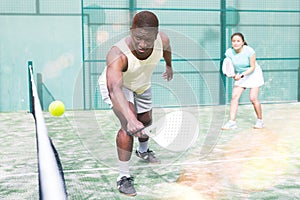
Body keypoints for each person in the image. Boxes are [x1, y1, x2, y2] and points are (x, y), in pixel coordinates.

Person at [98, 11, 173, 196]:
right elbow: (115, 89)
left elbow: (167, 49)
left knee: (146, 120)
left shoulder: (162, 40)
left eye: (148, 39)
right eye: (138, 38)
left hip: (141, 82)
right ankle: (123, 177)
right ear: (131, 30)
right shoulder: (117, 53)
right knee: (128, 126)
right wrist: (130, 118)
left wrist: (169, 65)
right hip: (119, 86)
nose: (142, 44)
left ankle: (143, 151)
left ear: (156, 35)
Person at [221, 32, 264, 130]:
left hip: (253, 74)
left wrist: (242, 75)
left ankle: (260, 120)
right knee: (234, 97)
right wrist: (233, 75)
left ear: (243, 42)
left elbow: (252, 67)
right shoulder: (229, 52)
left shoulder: (249, 51)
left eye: (238, 41)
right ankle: (232, 122)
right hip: (240, 74)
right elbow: (229, 66)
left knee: (253, 98)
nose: (235, 43)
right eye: (233, 41)